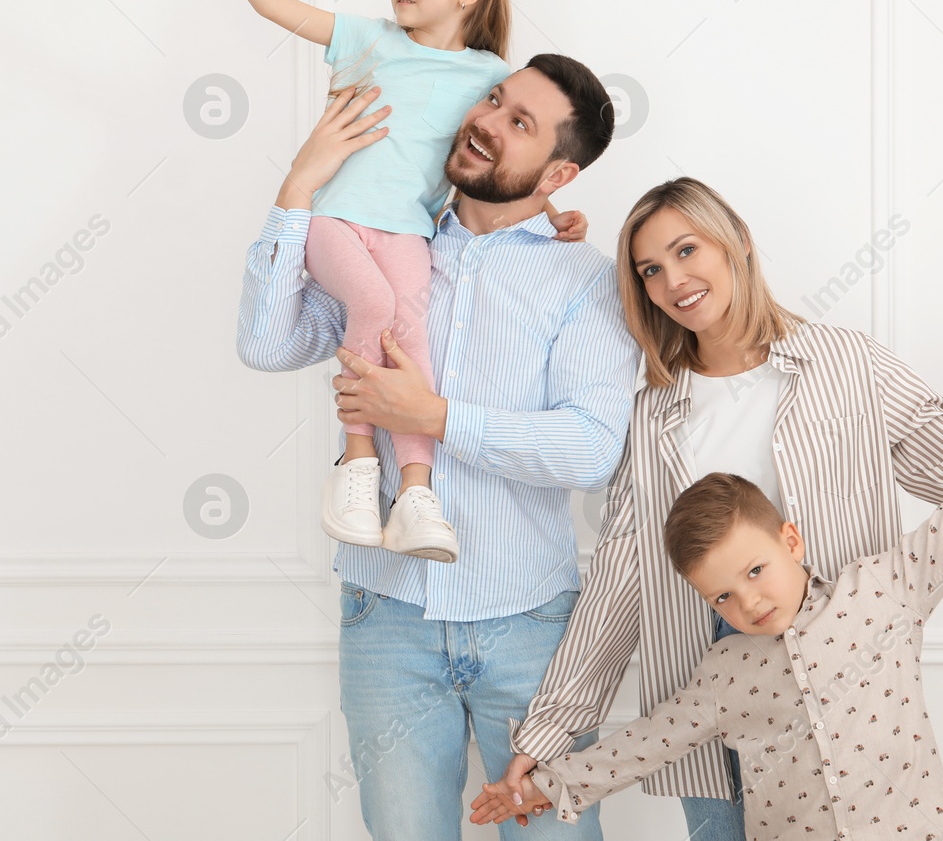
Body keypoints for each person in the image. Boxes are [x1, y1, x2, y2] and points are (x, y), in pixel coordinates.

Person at [497, 177, 943, 838]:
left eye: (687, 250)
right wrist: (551, 729)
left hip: (848, 691)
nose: (672, 281)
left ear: (737, 241)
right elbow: (621, 582)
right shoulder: (652, 413)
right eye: (650, 269)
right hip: (710, 688)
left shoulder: (846, 363)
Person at [235, 59, 641, 839]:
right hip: (386, 617)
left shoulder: (583, 280)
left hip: (529, 625)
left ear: (558, 173)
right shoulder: (381, 243)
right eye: (494, 98)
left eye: (520, 122)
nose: (488, 120)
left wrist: (436, 415)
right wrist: (298, 187)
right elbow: (263, 341)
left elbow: (591, 448)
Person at [206, 0, 575, 562]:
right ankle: (355, 463)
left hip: (408, 232)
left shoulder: (491, 77)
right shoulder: (370, 40)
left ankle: (414, 490)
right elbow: (274, 4)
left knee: (414, 339)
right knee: (371, 303)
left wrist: (553, 214)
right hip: (336, 222)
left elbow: (511, 153)